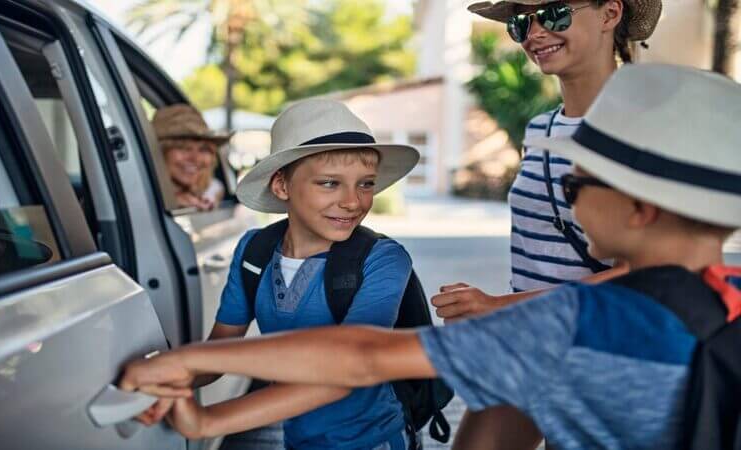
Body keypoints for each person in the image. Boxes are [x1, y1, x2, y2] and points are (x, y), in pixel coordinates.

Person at [120, 64, 741, 450]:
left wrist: (191, 376)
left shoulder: (568, 325)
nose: (565, 204)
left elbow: (365, 356)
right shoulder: (715, 294)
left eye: (575, 187)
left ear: (640, 208)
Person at [430, 1, 661, 446]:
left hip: (607, 352)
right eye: (522, 22)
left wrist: (498, 308)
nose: (535, 32)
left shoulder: (642, 131)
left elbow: (651, 277)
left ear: (610, 13)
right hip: (530, 341)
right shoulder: (539, 129)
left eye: (553, 13)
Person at [139, 99, 420, 449]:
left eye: (365, 184)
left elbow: (353, 363)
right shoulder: (255, 251)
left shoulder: (382, 259)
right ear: (282, 186)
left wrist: (208, 418)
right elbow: (221, 348)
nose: (353, 201)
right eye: (330, 183)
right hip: (298, 441)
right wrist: (162, 381)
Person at [152, 104, 229, 211]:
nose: (195, 158)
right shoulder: (145, 195)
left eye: (204, 149)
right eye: (184, 148)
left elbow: (216, 186)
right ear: (159, 152)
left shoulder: (208, 191)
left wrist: (208, 198)